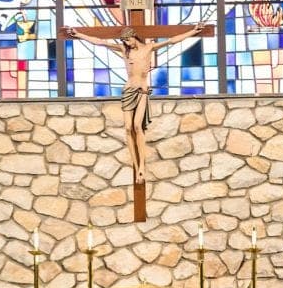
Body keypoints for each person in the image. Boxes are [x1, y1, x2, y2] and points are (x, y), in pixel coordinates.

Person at [65, 23, 207, 184]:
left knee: (138, 126)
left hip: (142, 91)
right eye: (124, 41)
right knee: (127, 128)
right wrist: (78, 34)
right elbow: (99, 42)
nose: (127, 44)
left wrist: (193, 31)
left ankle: (141, 167)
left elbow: (172, 41)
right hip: (128, 91)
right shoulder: (124, 50)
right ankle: (135, 165)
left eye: (129, 40)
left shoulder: (148, 48)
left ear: (134, 37)